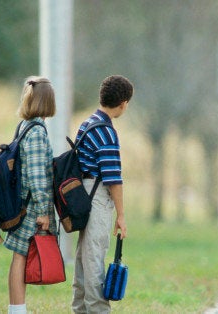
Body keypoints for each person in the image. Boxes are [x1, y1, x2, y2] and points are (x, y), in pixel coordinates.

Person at [72, 75, 132, 314]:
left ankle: (80, 309)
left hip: (82, 195)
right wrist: (121, 215)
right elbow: (113, 179)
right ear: (124, 103)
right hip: (97, 197)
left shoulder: (87, 123)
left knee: (83, 259)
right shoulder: (107, 132)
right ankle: (97, 310)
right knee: (94, 258)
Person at [5, 76, 57, 314]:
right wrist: (45, 211)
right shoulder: (36, 130)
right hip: (31, 207)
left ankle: (17, 308)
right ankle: (17, 309)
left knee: (20, 255)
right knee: (21, 256)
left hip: (23, 202)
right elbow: (37, 175)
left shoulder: (25, 125)